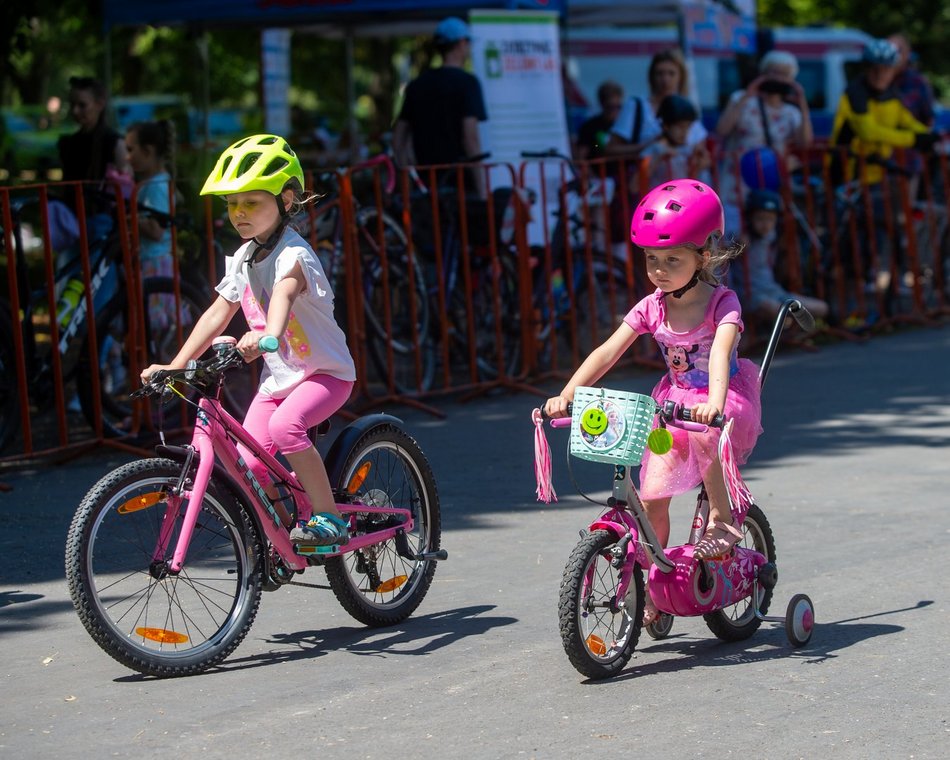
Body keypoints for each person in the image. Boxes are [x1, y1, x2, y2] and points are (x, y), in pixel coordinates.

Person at [543, 179, 762, 626]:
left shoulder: (722, 303)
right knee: (651, 490)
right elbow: (608, 350)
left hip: (722, 405)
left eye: (672, 259)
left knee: (704, 441)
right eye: (651, 260)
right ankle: (655, 577)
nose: (659, 270)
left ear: (704, 256)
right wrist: (569, 393)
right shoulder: (652, 307)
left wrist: (714, 404)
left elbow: (720, 354)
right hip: (672, 407)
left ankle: (722, 519)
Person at [141, 134, 357, 547]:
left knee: (285, 427)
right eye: (232, 203)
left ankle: (329, 519)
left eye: (252, 202)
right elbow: (218, 311)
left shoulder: (295, 254)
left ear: (287, 200)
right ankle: (288, 535)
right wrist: (176, 364)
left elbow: (284, 292)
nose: (239, 212)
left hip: (325, 374)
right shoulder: (243, 257)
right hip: (279, 381)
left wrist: (268, 336)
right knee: (249, 463)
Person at [828, 38, 937, 294]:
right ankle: (844, 279)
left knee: (881, 225)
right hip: (846, 172)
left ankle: (876, 279)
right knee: (852, 228)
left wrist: (930, 136)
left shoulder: (891, 95)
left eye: (886, 69)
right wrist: (914, 140)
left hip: (875, 173)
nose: (880, 74)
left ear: (894, 70)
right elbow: (868, 131)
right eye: (875, 68)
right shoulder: (855, 93)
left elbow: (907, 121)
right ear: (867, 68)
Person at [716, 50, 813, 233]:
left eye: (783, 75)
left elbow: (805, 142)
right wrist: (749, 93)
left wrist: (802, 102)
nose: (777, 79)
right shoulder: (741, 99)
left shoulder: (791, 112)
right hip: (736, 180)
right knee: (731, 236)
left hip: (768, 182)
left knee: (763, 238)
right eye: (773, 72)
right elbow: (722, 129)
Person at [392, 17, 488, 198]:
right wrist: (481, 188)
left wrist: (407, 179)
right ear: (461, 43)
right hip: (461, 185)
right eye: (468, 43)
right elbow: (470, 138)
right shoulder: (468, 83)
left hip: (426, 185)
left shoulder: (416, 85)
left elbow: (398, 139)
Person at [733, 188, 829, 324]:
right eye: (760, 218)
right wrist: (738, 247)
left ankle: (793, 332)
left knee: (822, 308)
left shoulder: (771, 236)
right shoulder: (743, 240)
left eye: (770, 219)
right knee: (778, 313)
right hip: (751, 295)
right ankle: (787, 331)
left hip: (774, 291)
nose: (765, 224)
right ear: (750, 218)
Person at [125, 119, 176, 329]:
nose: (128, 157)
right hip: (148, 260)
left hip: (155, 264)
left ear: (147, 151)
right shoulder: (151, 182)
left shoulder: (156, 186)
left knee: (156, 324)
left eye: (131, 149)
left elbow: (156, 230)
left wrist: (129, 219)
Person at [639, 95, 713, 188]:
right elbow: (634, 186)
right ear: (666, 126)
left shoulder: (688, 150)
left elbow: (689, 184)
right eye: (680, 127)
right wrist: (658, 157)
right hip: (660, 200)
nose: (685, 132)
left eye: (688, 127)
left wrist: (699, 167)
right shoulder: (654, 149)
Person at [575, 80, 623, 162]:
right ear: (602, 103)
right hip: (598, 172)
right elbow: (581, 156)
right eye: (610, 107)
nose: (615, 111)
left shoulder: (625, 126)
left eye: (618, 106)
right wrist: (591, 175)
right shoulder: (590, 127)